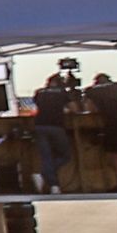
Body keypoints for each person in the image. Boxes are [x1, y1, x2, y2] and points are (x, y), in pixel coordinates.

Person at [30, 60, 81, 193]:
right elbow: (74, 109)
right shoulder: (62, 93)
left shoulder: (39, 92)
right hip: (56, 125)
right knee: (65, 155)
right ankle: (46, 178)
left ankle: (52, 184)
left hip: (40, 125)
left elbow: (38, 105)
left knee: (46, 156)